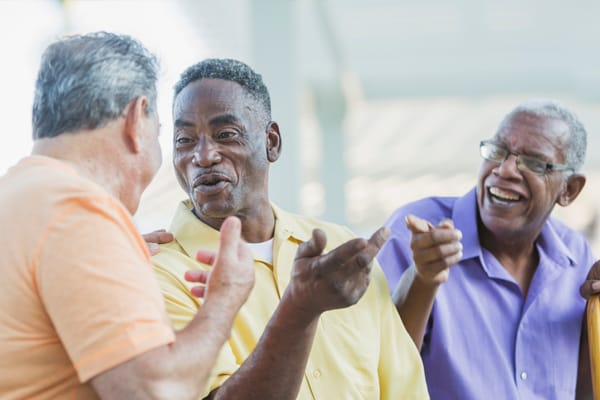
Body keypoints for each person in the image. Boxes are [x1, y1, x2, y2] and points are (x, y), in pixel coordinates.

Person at [151, 58, 428, 399]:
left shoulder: (340, 249)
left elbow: (405, 389)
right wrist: (302, 308)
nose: (204, 155)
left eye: (226, 135)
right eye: (184, 140)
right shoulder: (155, 274)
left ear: (272, 142)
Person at [0, 32, 256, 399]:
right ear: (137, 119)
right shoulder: (78, 211)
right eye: (164, 135)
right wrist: (223, 299)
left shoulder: (17, 199)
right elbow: (156, 390)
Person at [376, 99, 598, 399]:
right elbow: (377, 368)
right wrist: (422, 278)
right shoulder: (415, 234)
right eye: (498, 151)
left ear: (568, 190)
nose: (505, 170)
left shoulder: (576, 258)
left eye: (534, 162)